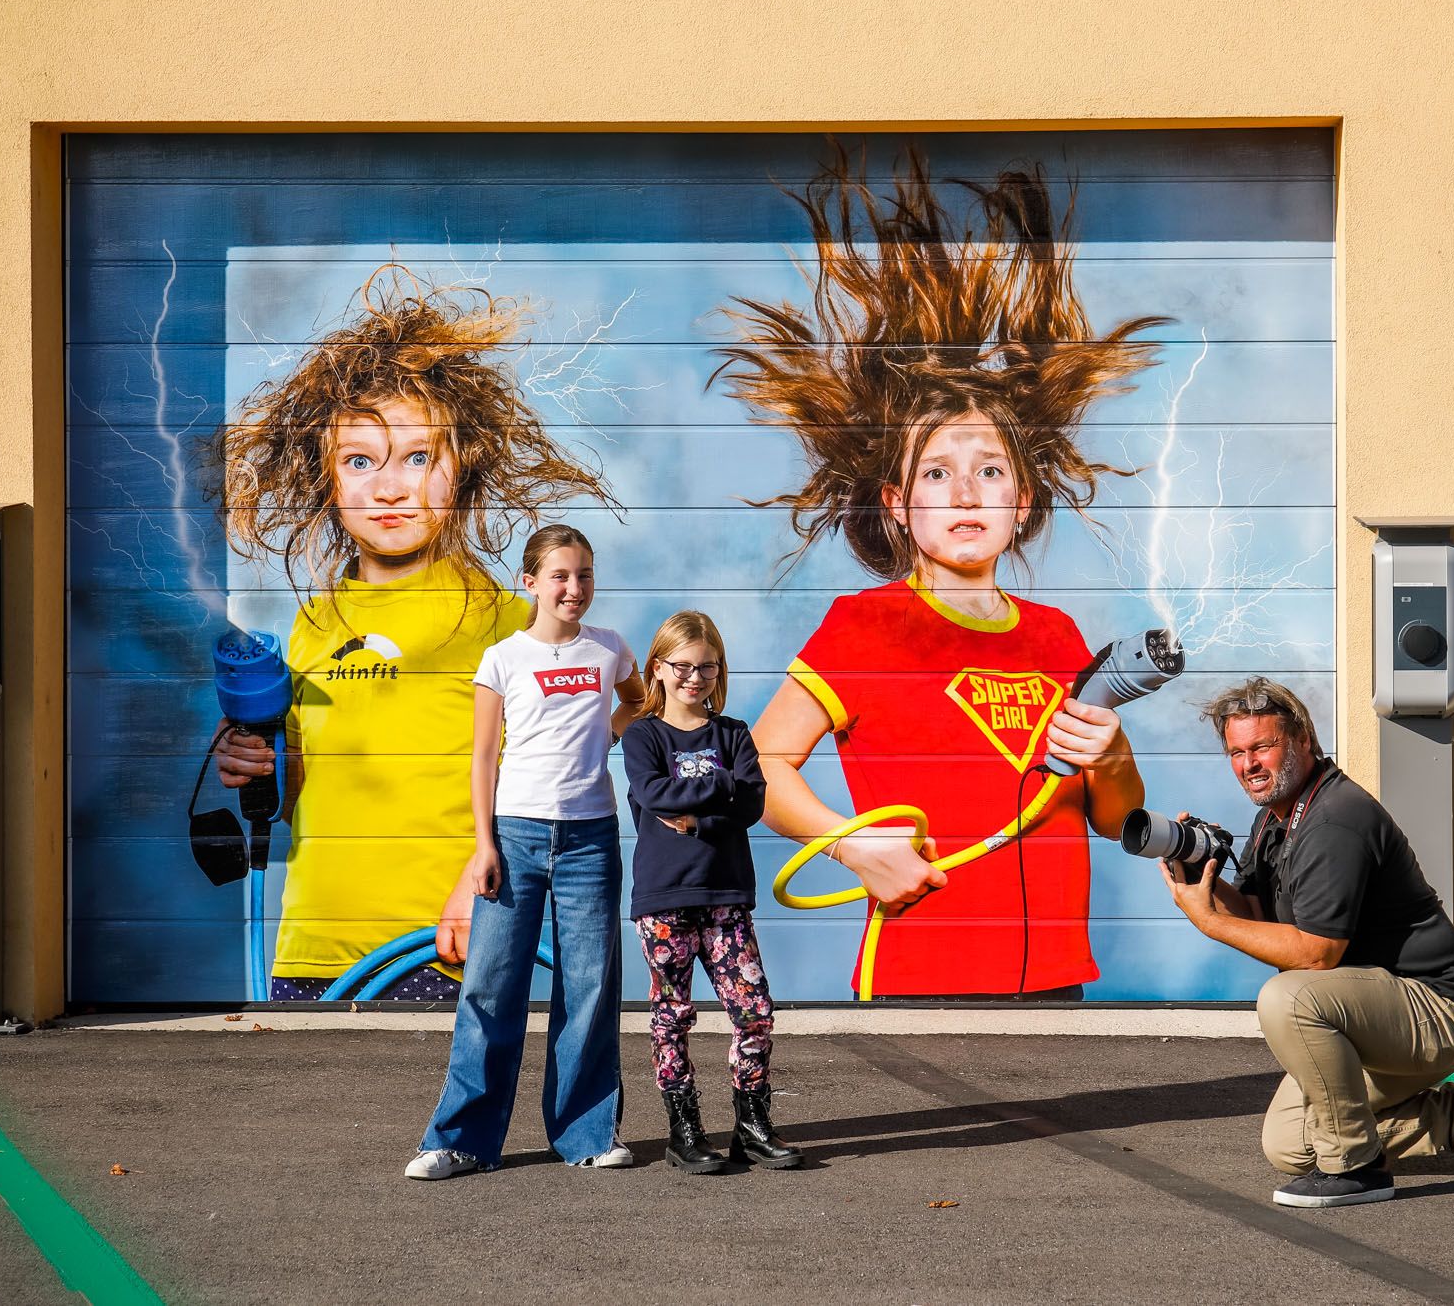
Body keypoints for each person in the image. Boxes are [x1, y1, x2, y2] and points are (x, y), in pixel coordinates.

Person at [715, 147, 1167, 999]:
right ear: (896, 503)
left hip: (1059, 985)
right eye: (937, 472)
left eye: (990, 470)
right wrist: (850, 844)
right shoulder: (864, 624)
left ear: (1023, 496)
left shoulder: (1057, 636)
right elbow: (758, 769)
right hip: (921, 976)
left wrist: (1112, 757)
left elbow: (1111, 819)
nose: (966, 491)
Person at [205, 264, 612, 1000]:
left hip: (449, 945)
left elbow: (557, 780)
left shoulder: (503, 619)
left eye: (418, 457)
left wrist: (476, 882)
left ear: (463, 467)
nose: (389, 487)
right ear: (328, 477)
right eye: (360, 461)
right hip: (312, 950)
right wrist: (260, 763)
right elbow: (307, 791)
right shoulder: (314, 622)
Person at [1164, 677, 1454, 1208]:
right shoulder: (1275, 818)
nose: (1249, 765)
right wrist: (1203, 878)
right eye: (1237, 753)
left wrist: (1210, 923)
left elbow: (1317, 954)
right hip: (1369, 1014)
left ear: (1303, 739)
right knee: (1290, 1147)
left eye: (1263, 746)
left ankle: (1357, 1169)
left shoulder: (1335, 820)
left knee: (1288, 998)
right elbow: (1259, 916)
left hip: (1435, 1008)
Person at [406, 524, 646, 1178]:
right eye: (561, 575)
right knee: (491, 987)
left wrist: (611, 731)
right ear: (530, 581)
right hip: (514, 838)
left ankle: (586, 1135)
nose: (575, 587)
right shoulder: (503, 658)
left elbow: (640, 702)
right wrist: (483, 845)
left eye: (585, 574)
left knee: (590, 988)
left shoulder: (611, 650)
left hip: (591, 840)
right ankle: (458, 1139)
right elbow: (484, 757)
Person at [623, 610, 801, 1173]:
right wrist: (720, 788)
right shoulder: (643, 735)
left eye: (706, 667)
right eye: (682, 666)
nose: (694, 678)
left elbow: (751, 803)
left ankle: (751, 1126)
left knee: (754, 1013)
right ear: (657, 669)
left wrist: (702, 813)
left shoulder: (733, 734)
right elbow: (654, 794)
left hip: (725, 896)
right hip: (665, 899)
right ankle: (684, 1132)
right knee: (671, 1015)